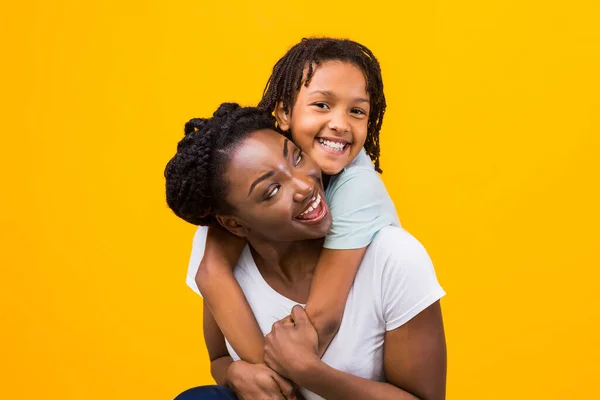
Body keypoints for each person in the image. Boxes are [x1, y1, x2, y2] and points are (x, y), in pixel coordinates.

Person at [165, 104, 447, 399]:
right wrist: (234, 374)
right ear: (234, 225)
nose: (303, 186)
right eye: (272, 191)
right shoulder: (221, 261)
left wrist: (310, 372)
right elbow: (219, 359)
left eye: (297, 157)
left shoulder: (393, 257)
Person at [195, 38, 401, 364]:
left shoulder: (358, 187)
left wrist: (270, 383)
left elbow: (322, 320)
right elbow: (211, 271)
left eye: (357, 111)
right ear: (284, 112)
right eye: (322, 105)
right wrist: (237, 373)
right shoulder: (245, 176)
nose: (340, 124)